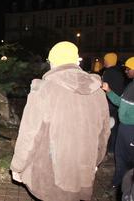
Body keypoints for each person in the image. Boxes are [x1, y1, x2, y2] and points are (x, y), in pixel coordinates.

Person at [10, 41, 110, 201]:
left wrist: (17, 166)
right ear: (76, 61)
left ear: (53, 62)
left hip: (50, 172)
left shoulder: (44, 90)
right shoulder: (98, 93)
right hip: (83, 170)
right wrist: (94, 162)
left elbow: (29, 134)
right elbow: (104, 134)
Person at [102, 57, 134, 192]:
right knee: (120, 158)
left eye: (128, 69)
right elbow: (121, 103)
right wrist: (108, 91)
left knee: (130, 161)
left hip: (131, 129)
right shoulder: (131, 85)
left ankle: (128, 189)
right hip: (124, 128)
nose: (126, 71)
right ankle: (118, 184)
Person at [102, 53, 126, 156]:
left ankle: (105, 151)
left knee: (106, 128)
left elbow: (104, 88)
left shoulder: (108, 72)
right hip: (117, 104)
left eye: (105, 60)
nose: (104, 61)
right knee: (114, 127)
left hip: (109, 104)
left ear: (108, 61)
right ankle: (112, 150)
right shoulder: (120, 72)